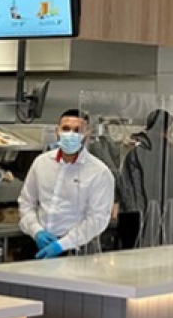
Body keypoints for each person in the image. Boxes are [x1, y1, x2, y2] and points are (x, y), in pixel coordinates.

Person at [19, 109, 114, 258]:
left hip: (75, 250)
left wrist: (62, 244)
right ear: (57, 131)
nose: (70, 134)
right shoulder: (41, 162)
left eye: (77, 130)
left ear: (87, 133)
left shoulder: (99, 173)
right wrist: (36, 231)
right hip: (36, 243)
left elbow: (97, 219)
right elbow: (26, 202)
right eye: (66, 129)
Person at [118, 109, 173, 248]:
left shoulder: (133, 156)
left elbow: (125, 193)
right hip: (170, 225)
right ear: (166, 130)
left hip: (138, 229)